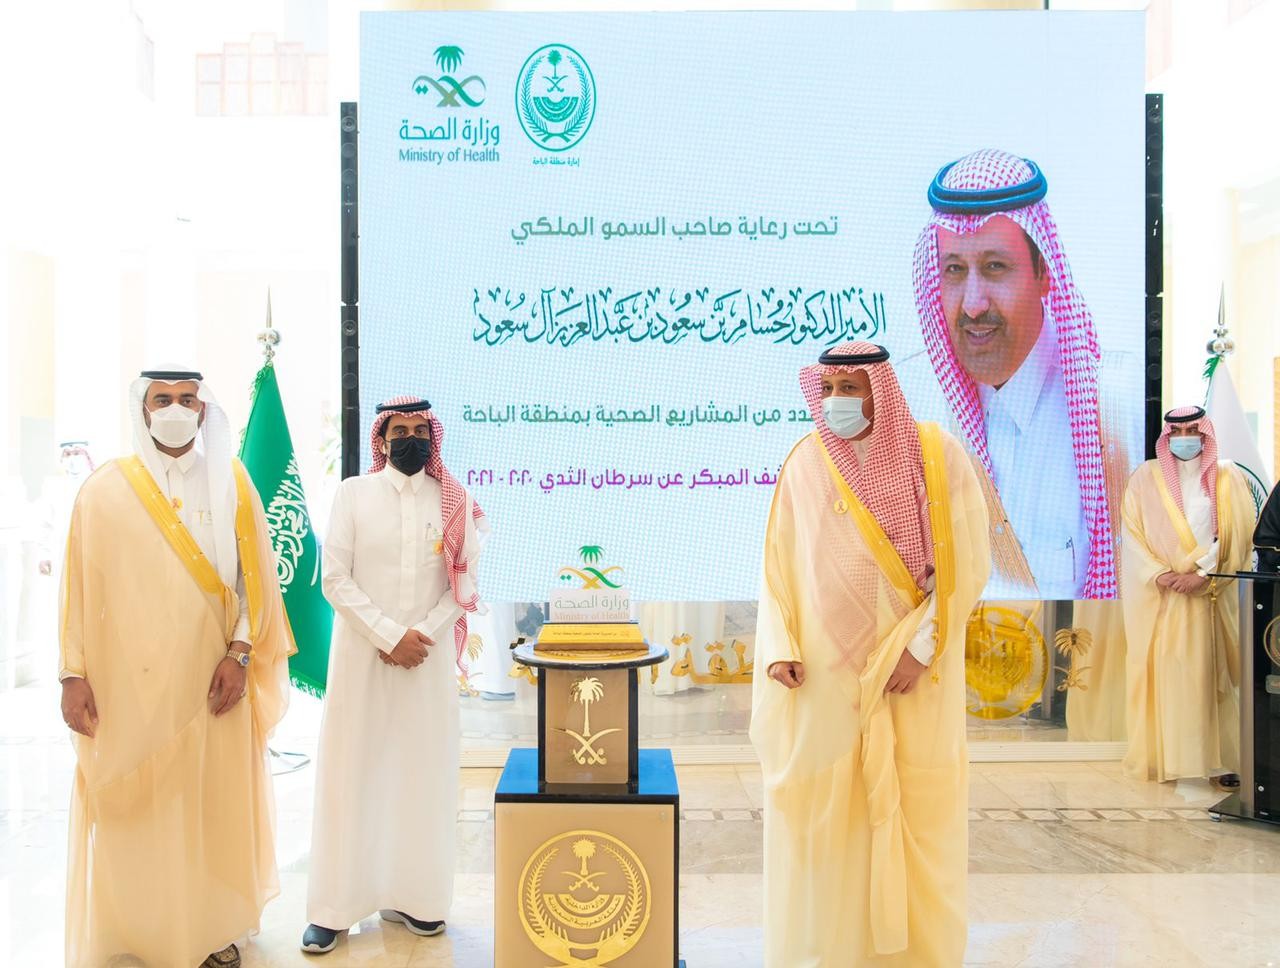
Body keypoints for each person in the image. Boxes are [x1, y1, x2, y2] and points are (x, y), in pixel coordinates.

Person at [750, 342, 990, 966]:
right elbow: (777, 564)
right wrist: (779, 646)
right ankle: (831, 951)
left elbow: (967, 562)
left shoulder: (937, 456)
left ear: (880, 390)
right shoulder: (804, 461)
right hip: (824, 677)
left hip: (911, 673)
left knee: (915, 807)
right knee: (828, 812)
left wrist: (920, 648)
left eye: (851, 388)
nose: (836, 401)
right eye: (828, 389)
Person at [59, 368, 292, 968]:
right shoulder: (104, 490)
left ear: (203, 408)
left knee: (210, 810)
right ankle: (139, 930)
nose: (175, 409)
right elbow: (78, 590)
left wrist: (240, 653)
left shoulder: (232, 482)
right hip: (127, 689)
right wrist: (72, 673)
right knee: (140, 808)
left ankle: (212, 930)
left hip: (212, 683)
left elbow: (255, 586)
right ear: (142, 409)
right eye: (162, 399)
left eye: (188, 399)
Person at [303, 396, 488, 954]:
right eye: (399, 431)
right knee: (352, 773)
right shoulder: (354, 495)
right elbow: (334, 578)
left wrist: (419, 636)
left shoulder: (453, 500)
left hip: (425, 663)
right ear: (382, 439)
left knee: (420, 776)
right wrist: (388, 635)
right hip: (361, 658)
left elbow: (464, 583)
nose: (411, 439)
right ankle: (334, 909)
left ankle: (416, 898)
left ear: (433, 437)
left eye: (419, 430)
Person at [912, 148, 1132, 600]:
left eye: (996, 267)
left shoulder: (1112, 411)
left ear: (1043, 272)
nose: (973, 304)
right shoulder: (913, 410)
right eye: (954, 270)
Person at [1121, 406, 1256, 784]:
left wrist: (1203, 574)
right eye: (1176, 432)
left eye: (1192, 430)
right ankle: (1169, 760)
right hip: (1165, 600)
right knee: (1169, 679)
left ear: (1205, 432)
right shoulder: (1145, 476)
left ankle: (1220, 763)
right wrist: (1160, 574)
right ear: (1166, 436)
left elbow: (1237, 534)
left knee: (1211, 680)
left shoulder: (1228, 477)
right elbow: (1131, 531)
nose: (1184, 438)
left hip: (1209, 596)